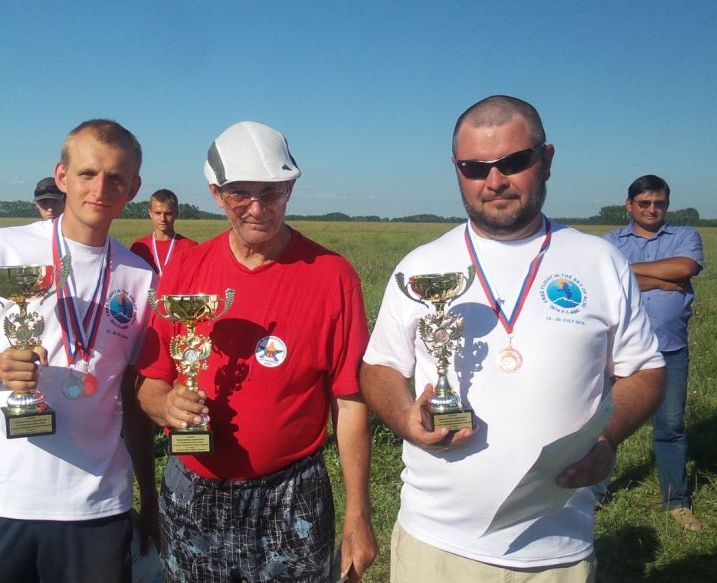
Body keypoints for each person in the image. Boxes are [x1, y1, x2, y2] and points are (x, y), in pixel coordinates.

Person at [360, 95, 666, 582]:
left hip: (556, 550)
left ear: (546, 160)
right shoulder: (421, 266)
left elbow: (646, 370)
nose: (495, 180)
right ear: (456, 170)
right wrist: (404, 418)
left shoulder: (599, 261)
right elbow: (380, 366)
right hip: (434, 544)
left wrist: (607, 437)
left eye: (513, 161)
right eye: (474, 167)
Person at [136, 121, 377, 582]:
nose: (257, 208)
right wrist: (166, 406)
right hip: (194, 492)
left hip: (292, 495)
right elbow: (151, 382)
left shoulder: (332, 276)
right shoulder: (185, 269)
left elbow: (349, 402)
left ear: (290, 188)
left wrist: (358, 514)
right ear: (215, 194)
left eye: (271, 192)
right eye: (239, 194)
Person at [0, 119, 159, 583]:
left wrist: (149, 500)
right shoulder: (3, 248)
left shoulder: (140, 277)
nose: (100, 189)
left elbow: (133, 399)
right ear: (62, 176)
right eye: (87, 173)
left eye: (115, 178)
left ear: (133, 188)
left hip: (95, 508)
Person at [603, 174, 703, 531]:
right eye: (644, 203)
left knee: (671, 427)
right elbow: (607, 282)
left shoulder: (686, 236)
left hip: (669, 349)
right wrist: (662, 279)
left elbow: (685, 268)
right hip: (620, 352)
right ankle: (593, 493)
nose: (651, 209)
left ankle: (677, 502)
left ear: (666, 204)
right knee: (605, 424)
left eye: (658, 203)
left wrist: (629, 273)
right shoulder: (610, 242)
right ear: (629, 205)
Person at [130, 188, 197, 275]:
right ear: (150, 213)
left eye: (168, 213)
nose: (162, 219)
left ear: (176, 213)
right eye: (158, 213)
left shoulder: (190, 247)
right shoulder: (139, 247)